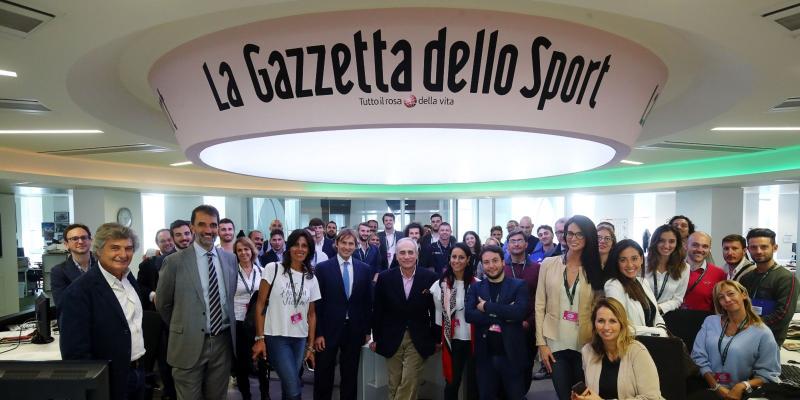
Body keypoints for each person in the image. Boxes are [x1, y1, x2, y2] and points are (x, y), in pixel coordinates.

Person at [156, 205, 238, 400]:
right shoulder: (175, 261)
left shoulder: (230, 259)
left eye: (213, 225)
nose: (208, 230)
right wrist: (184, 326)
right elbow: (163, 304)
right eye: (202, 224)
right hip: (188, 343)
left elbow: (229, 297)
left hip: (222, 343)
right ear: (192, 227)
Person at [59, 223, 146, 400]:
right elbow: (75, 354)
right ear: (98, 250)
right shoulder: (79, 292)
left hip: (138, 371)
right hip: (107, 380)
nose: (123, 254)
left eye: (128, 248)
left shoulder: (129, 278)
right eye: (115, 248)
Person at [535, 215, 601, 400]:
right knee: (564, 395)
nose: (573, 238)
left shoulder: (596, 269)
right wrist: (541, 344)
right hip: (554, 343)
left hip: (585, 342)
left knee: (584, 396)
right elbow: (540, 305)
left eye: (580, 234)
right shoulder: (549, 264)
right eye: (570, 233)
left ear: (588, 237)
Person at [252, 229, 321, 400]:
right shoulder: (273, 268)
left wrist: (311, 347)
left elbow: (311, 315)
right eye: (296, 244)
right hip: (276, 336)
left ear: (310, 250)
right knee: (293, 388)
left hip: (299, 338)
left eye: (304, 245)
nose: (300, 249)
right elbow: (260, 304)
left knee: (287, 383)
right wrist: (260, 338)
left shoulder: (311, 278)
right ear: (288, 247)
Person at [370, 238, 439, 400]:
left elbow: (436, 310)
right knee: (395, 382)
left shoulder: (430, 277)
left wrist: (437, 338)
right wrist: (376, 338)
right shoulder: (385, 278)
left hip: (419, 336)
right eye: (402, 252)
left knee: (410, 379)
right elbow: (378, 310)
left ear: (417, 255)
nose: (406, 256)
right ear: (396, 255)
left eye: (410, 252)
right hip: (391, 336)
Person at [690, 280, 780, 399]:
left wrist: (742, 386)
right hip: (706, 386)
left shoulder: (762, 332)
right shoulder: (710, 321)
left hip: (739, 393)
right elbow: (698, 357)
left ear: (743, 294)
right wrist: (716, 386)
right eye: (721, 297)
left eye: (731, 294)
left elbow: (769, 374)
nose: (727, 299)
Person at [313, 229, 373, 400]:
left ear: (356, 246)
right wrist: (318, 333)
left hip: (354, 330)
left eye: (351, 243)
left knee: (350, 374)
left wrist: (367, 330)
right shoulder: (323, 268)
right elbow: (317, 304)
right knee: (324, 374)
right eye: (344, 243)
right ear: (337, 244)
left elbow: (368, 303)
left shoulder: (364, 269)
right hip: (328, 330)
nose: (347, 247)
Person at [465, 245, 529, 400]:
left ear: (503, 262)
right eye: (486, 262)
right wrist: (505, 312)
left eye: (495, 261)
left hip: (511, 354)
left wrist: (486, 306)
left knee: (515, 396)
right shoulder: (476, 287)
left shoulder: (518, 285)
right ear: (482, 265)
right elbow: (469, 315)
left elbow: (519, 313)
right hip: (485, 355)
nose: (491, 266)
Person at [571, 298, 664, 400]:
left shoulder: (638, 351)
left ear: (621, 324)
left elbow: (652, 397)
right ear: (594, 324)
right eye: (601, 321)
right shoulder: (588, 351)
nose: (606, 327)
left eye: (613, 321)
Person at [431, 243, 479, 400]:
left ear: (468, 260)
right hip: (452, 341)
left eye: (461, 257)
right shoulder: (441, 285)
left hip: (474, 341)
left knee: (474, 384)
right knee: (452, 383)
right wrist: (438, 340)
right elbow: (438, 316)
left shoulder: (477, 284)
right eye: (454, 257)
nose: (457, 261)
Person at [739, 228, 799, 346]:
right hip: (744, 338)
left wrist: (749, 325)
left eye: (764, 247)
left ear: (775, 248)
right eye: (754, 247)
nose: (759, 251)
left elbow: (782, 315)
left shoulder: (786, 278)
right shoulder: (746, 278)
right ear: (748, 249)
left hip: (770, 341)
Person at [604, 240, 667, 336]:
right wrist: (656, 333)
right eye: (623, 260)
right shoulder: (613, 286)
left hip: (654, 341)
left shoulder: (643, 282)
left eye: (634, 258)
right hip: (631, 344)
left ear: (641, 259)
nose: (629, 264)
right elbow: (620, 325)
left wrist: (662, 330)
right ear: (617, 263)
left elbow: (656, 314)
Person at [231, 237, 269, 400]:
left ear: (252, 251)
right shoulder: (232, 273)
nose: (243, 253)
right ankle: (246, 395)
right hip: (238, 321)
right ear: (236, 253)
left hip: (257, 322)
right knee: (242, 363)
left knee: (262, 362)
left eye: (246, 249)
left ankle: (265, 394)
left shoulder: (261, 271)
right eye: (239, 250)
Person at [504, 228, 540, 392]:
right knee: (506, 364)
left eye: (520, 241)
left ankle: (522, 394)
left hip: (529, 326)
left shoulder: (537, 269)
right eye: (513, 241)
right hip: (505, 326)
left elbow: (540, 299)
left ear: (526, 244)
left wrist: (529, 322)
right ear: (508, 245)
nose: (516, 244)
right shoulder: (501, 268)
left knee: (526, 364)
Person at [643, 225, 689, 315]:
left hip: (665, 315)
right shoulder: (642, 263)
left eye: (671, 241)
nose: (666, 245)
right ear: (654, 242)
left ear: (677, 244)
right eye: (661, 241)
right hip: (640, 313)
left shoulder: (684, 267)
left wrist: (658, 309)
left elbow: (678, 299)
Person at [51, 223, 98, 307]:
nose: (80, 242)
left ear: (90, 240)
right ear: (66, 244)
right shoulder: (58, 271)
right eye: (75, 238)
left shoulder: (103, 265)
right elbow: (62, 303)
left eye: (84, 237)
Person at [682, 232, 726, 312]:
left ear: (709, 249)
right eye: (695, 245)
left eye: (705, 246)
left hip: (704, 322)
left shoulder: (719, 274)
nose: (699, 250)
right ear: (686, 246)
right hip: (673, 320)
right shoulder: (673, 270)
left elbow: (721, 305)